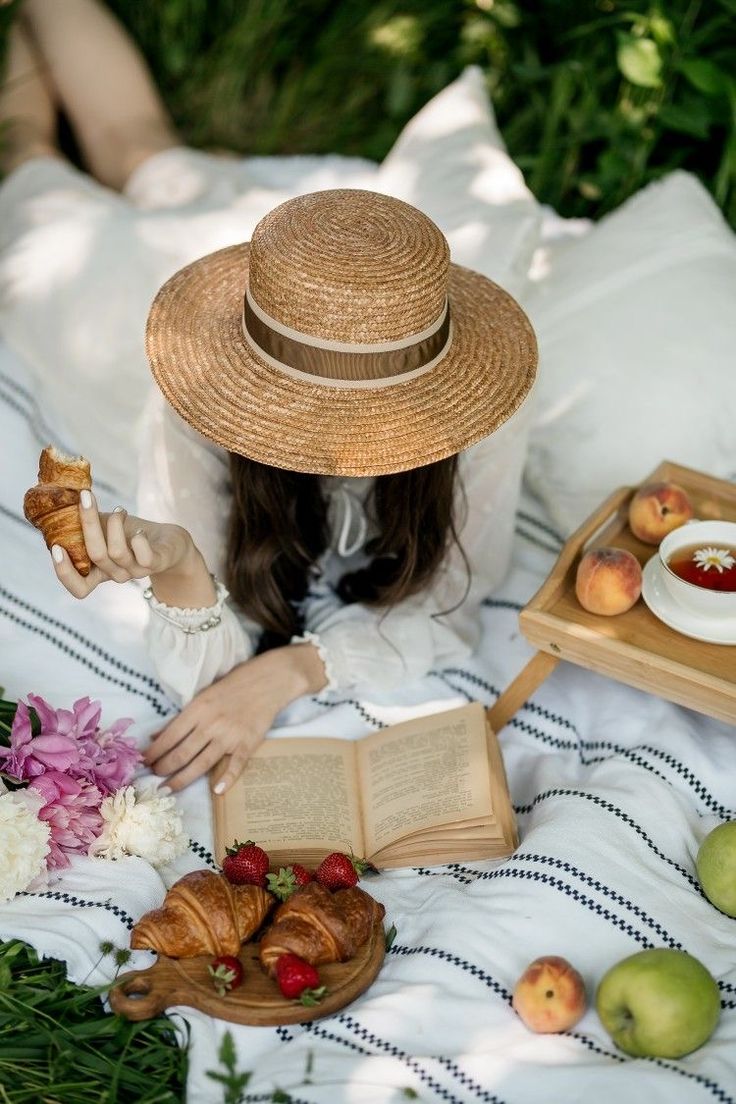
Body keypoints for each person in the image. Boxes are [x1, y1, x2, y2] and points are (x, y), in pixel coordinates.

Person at [1, 0, 537, 796]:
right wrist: (181, 563)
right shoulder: (194, 395)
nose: (345, 437)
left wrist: (295, 667)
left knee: (145, 149)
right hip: (108, 307)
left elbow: (453, 601)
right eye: (317, 409)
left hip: (248, 277)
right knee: (29, 158)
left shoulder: (478, 396)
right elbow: (200, 661)